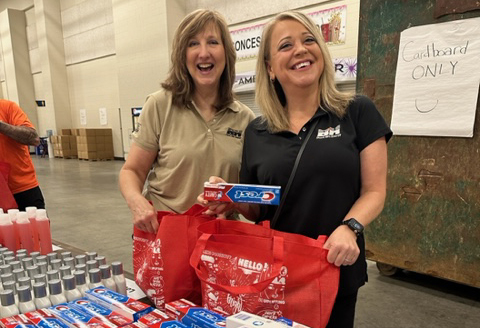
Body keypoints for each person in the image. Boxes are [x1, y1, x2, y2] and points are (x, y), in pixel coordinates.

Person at [201, 11, 392, 328]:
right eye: (285, 45)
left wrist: (350, 227)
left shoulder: (357, 112)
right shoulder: (257, 131)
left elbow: (375, 191)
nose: (301, 50)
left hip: (332, 267)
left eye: (308, 40)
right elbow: (258, 208)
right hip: (272, 273)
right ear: (270, 68)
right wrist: (232, 197)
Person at [119, 9, 255, 233]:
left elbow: (248, 194)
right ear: (182, 55)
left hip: (221, 238)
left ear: (226, 53)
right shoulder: (160, 105)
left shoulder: (244, 118)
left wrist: (231, 200)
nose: (204, 53)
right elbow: (131, 171)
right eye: (193, 44)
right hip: (166, 233)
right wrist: (137, 202)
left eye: (213, 42)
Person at [0, 99, 45, 210]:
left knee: (35, 226)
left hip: (22, 187)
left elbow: (34, 139)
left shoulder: (7, 107)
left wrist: (1, 126)